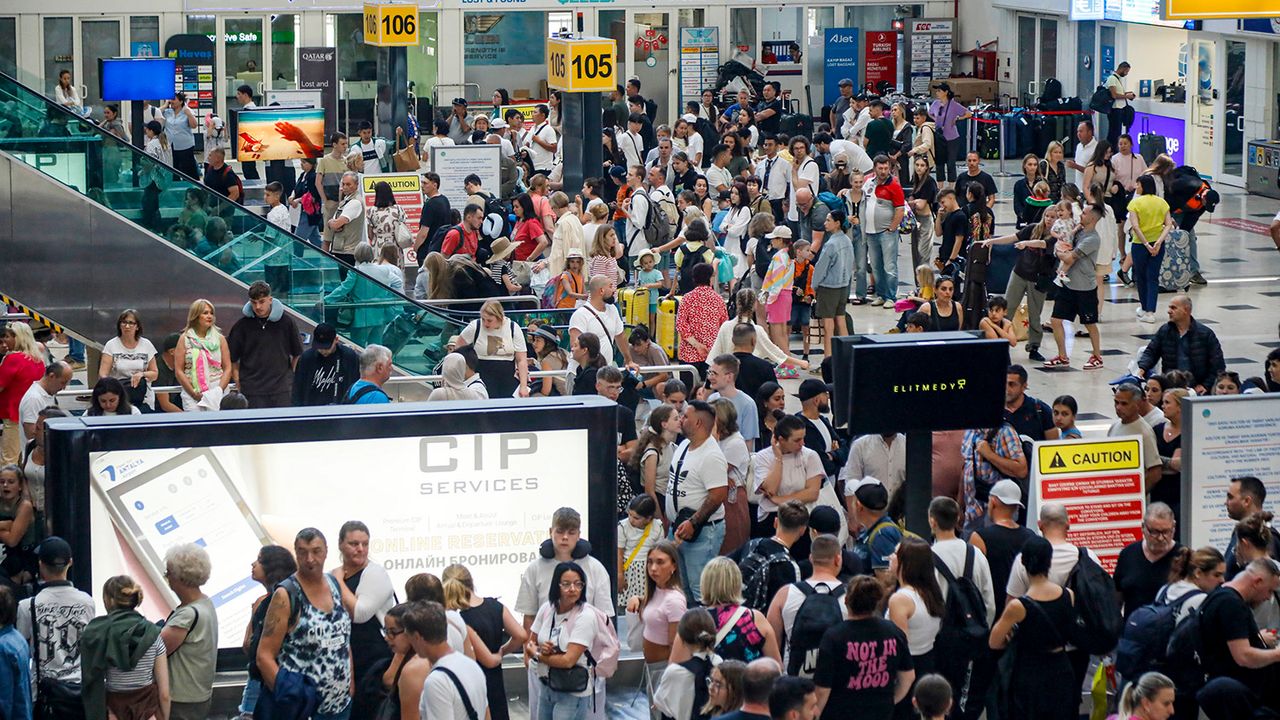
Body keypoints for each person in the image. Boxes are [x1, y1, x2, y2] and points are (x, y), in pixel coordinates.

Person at [257, 528, 357, 720]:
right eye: (302, 552)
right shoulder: (286, 595)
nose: (310, 559)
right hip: (303, 709)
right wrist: (288, 699)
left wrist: (350, 680)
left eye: (316, 551)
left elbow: (343, 638)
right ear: (296, 553)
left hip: (340, 705)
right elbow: (264, 656)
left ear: (326, 551)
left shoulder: (334, 584)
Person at [989, 535, 1078, 720]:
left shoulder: (1018, 607)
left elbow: (994, 642)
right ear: (1049, 561)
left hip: (1029, 674)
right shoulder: (1068, 595)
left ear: (1023, 562)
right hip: (1061, 669)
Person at [812, 574, 914, 720]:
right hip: (881, 712)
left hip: (841, 713)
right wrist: (890, 701)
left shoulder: (834, 636)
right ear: (876, 602)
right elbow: (908, 677)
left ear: (846, 601)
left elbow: (823, 689)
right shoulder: (894, 632)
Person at [1195, 557, 1280, 718]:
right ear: (1257, 582)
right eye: (1269, 590)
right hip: (1237, 699)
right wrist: (1277, 654)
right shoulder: (1231, 604)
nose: (1269, 598)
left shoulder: (1219, 595)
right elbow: (1243, 656)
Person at [15, 536, 92, 707]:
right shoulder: (87, 602)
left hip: (43, 697)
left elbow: (22, 652)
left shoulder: (28, 606)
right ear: (70, 562)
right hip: (79, 693)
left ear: (41, 564)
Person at [332, 520, 397, 718]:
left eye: (365, 544)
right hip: (344, 659)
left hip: (374, 659)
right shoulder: (335, 575)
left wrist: (337, 582)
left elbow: (360, 614)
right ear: (341, 545)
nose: (361, 549)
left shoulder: (375, 573)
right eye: (354, 544)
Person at [442, 565, 524, 720]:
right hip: (495, 680)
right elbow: (520, 635)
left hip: (467, 683)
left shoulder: (454, 618)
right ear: (471, 581)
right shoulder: (495, 606)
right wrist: (502, 651)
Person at [81, 576, 169, 720]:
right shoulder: (153, 635)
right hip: (148, 712)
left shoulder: (99, 633)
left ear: (109, 600)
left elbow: (92, 681)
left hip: (114, 711)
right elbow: (164, 694)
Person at [526, 561, 605, 720]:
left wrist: (539, 655)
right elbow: (530, 643)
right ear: (557, 585)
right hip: (547, 686)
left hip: (572, 691)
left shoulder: (586, 616)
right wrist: (541, 650)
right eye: (566, 584)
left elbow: (569, 661)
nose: (573, 589)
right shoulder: (547, 608)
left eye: (578, 584)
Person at [157, 543, 217, 720]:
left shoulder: (187, 615)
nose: (166, 578)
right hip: (199, 694)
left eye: (168, 573)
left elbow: (157, 650)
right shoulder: (205, 603)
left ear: (179, 577)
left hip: (181, 699)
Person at [682, 557, 780, 664]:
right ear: (737, 583)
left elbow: (678, 667)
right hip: (747, 680)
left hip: (708, 680)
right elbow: (776, 666)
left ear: (704, 583)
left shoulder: (693, 621)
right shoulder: (754, 619)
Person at [402, 601, 488, 720]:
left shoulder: (436, 681)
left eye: (408, 636)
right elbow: (486, 713)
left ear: (417, 637)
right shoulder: (472, 666)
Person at [1044, 201, 1105, 370]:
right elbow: (1063, 242)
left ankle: (1097, 356)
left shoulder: (1092, 239)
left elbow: (1070, 258)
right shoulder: (1077, 232)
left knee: (1089, 323)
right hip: (1068, 285)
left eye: (1084, 213)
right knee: (1056, 320)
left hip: (1085, 288)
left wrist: (1059, 253)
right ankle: (1062, 356)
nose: (1080, 215)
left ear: (1092, 218)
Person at [228, 281, 302, 409]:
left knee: (282, 427)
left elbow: (297, 353)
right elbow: (232, 358)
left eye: (262, 301)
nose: (257, 307)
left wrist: (289, 379)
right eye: (254, 302)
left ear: (270, 299)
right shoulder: (241, 326)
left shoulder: (287, 322)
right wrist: (239, 382)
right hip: (252, 390)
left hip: (281, 389)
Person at [1135, 295, 1225, 394]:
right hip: (1170, 387)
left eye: (1173, 308)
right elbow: (1151, 352)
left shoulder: (1205, 334)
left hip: (1196, 389)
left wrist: (1206, 385)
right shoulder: (1164, 331)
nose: (1169, 311)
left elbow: (1218, 365)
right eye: (1169, 307)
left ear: (1186, 310)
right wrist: (1142, 369)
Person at [1113, 503, 1180, 618]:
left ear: (1173, 527)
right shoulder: (1128, 554)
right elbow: (1117, 598)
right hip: (1133, 631)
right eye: (1154, 532)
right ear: (1143, 527)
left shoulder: (1183, 557)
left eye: (1166, 532)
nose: (1160, 538)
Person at [454, 300, 529, 399]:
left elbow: (521, 360)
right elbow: (458, 350)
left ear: (500, 318)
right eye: (483, 319)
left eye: (489, 320)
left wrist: (523, 386)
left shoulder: (513, 328)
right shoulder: (475, 326)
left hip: (507, 377)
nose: (485, 323)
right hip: (482, 375)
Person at [1126, 175, 1174, 323]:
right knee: (1153, 277)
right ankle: (1151, 312)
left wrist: (1146, 244)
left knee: (1141, 277)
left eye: (1138, 184)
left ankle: (1144, 308)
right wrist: (1158, 243)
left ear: (1143, 186)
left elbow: (1135, 226)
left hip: (1140, 245)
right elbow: (1168, 224)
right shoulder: (1162, 203)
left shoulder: (1135, 203)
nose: (1136, 187)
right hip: (1158, 244)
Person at [1108, 383, 1166, 494]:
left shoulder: (1144, 432)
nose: (1118, 407)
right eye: (1116, 402)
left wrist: (1137, 496)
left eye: (1124, 404)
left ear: (1137, 404)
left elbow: (1155, 472)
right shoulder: (1114, 427)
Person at [0, 323, 46, 464]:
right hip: (33, 414)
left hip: (13, 414)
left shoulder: (13, 359)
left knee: (9, 460)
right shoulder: (38, 359)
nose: (5, 340)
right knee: (24, 458)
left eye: (8, 336)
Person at [175, 299, 231, 412]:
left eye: (211, 313)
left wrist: (218, 391)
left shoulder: (220, 339)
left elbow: (227, 368)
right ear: (195, 316)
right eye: (205, 313)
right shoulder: (185, 339)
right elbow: (179, 371)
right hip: (192, 393)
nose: (209, 316)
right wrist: (193, 393)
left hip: (217, 391)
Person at [98, 309, 159, 412]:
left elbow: (155, 373)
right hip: (119, 398)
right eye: (124, 322)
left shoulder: (147, 344)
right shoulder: (111, 345)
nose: (127, 326)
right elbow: (103, 375)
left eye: (131, 323)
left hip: (143, 398)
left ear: (137, 326)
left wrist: (142, 374)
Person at [812, 210, 854, 357]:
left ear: (837, 223)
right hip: (843, 286)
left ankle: (828, 360)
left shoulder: (831, 244)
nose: (825, 223)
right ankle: (848, 356)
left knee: (828, 325)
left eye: (828, 220)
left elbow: (821, 268)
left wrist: (814, 285)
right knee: (841, 320)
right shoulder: (847, 241)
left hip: (829, 287)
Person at [1224, 477, 1280, 579]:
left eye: (1230, 497)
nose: (1226, 502)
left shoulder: (1267, 536)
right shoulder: (1240, 533)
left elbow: (1267, 580)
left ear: (1247, 501)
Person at [292, 323, 360, 406]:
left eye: (326, 347)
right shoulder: (306, 358)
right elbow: (297, 390)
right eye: (319, 347)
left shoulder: (348, 357)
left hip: (342, 411)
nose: (323, 351)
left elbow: (356, 384)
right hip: (312, 411)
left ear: (336, 340)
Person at [928, 84, 971, 184]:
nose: (937, 93)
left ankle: (952, 186)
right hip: (939, 136)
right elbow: (930, 112)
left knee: (951, 163)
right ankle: (940, 186)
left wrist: (958, 118)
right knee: (939, 162)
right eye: (937, 91)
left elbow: (968, 113)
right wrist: (936, 120)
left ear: (946, 92)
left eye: (939, 91)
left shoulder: (953, 105)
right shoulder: (935, 103)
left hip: (952, 138)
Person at [163, 93, 199, 177]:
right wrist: (165, 105)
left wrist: (189, 114)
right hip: (170, 146)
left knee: (189, 170)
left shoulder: (187, 111)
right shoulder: (167, 112)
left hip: (185, 146)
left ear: (181, 101)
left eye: (173, 99)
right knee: (173, 169)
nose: (171, 101)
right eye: (170, 99)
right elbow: (156, 114)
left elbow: (194, 125)